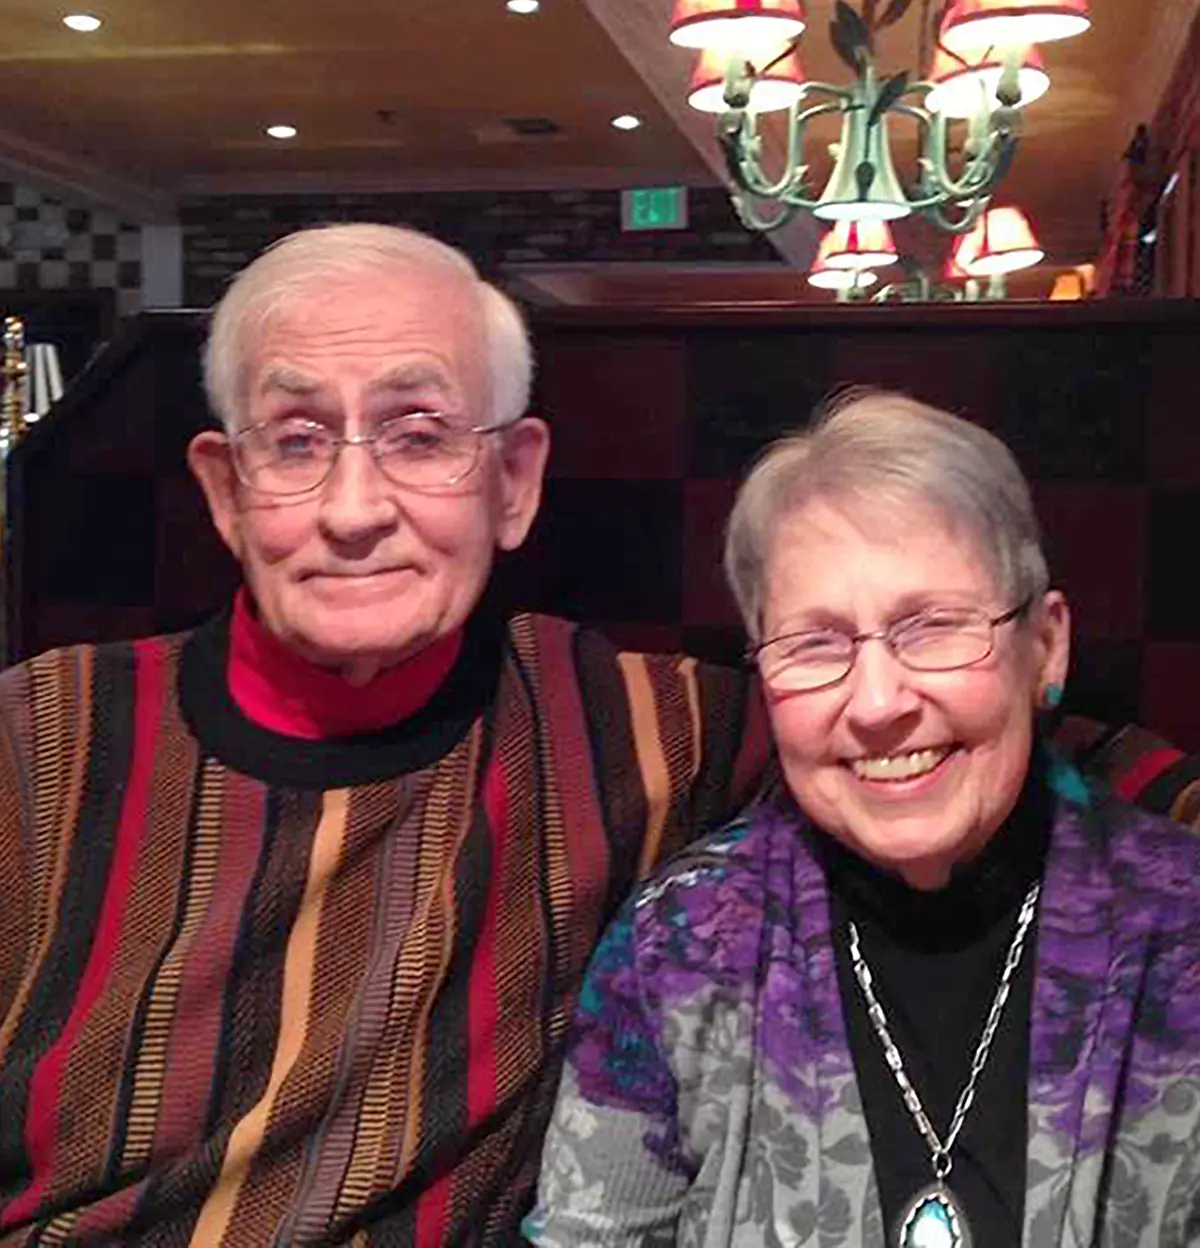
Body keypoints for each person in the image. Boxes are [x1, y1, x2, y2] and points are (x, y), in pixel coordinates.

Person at [0, 223, 770, 1246]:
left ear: (513, 483)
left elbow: (964, 745)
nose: (353, 510)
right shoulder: (34, 748)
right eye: (296, 441)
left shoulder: (641, 736)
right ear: (227, 493)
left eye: (419, 434)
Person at [526, 392, 1200, 1247]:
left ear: (1046, 647)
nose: (878, 704)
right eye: (816, 645)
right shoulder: (680, 946)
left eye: (934, 628)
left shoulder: (1181, 928)